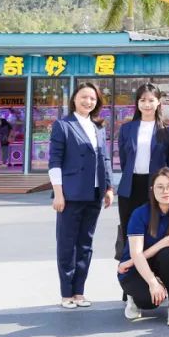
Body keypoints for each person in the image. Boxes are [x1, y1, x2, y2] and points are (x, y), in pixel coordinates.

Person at [49, 82, 114, 309]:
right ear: (74, 99)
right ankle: (66, 293)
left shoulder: (98, 127)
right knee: (67, 244)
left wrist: (108, 188)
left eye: (93, 99)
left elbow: (105, 159)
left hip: (94, 194)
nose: (88, 101)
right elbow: (54, 162)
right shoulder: (63, 125)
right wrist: (58, 194)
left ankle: (79, 292)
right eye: (84, 97)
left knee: (85, 244)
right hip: (71, 194)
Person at [117, 168, 169, 325]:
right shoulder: (139, 213)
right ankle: (133, 298)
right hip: (134, 267)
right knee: (148, 302)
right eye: (160, 187)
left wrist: (129, 262)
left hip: (154, 262)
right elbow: (136, 253)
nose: (165, 191)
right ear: (152, 190)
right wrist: (152, 282)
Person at [116, 84, 169, 258]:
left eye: (151, 100)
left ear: (158, 102)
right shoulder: (126, 129)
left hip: (156, 186)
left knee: (155, 229)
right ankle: (129, 266)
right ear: (137, 103)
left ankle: (154, 268)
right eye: (142, 100)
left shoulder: (168, 130)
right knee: (130, 228)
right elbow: (124, 160)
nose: (147, 104)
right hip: (130, 186)